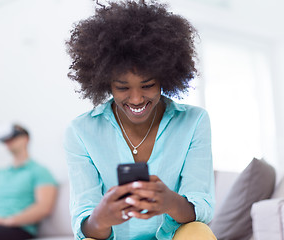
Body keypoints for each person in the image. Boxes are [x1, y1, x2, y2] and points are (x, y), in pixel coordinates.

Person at [64, 0, 216, 239]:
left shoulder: (194, 121)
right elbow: (84, 223)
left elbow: (202, 207)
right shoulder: (81, 130)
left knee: (199, 231)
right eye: (123, 87)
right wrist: (100, 218)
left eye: (147, 85)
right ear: (106, 83)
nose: (136, 99)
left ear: (165, 77)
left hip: (171, 235)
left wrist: (170, 202)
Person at [0, 123, 58, 240]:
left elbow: (44, 207)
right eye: (6, 138)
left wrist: (6, 221)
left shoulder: (39, 171)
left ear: (26, 139)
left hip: (17, 228)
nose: (8, 141)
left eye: (13, 136)